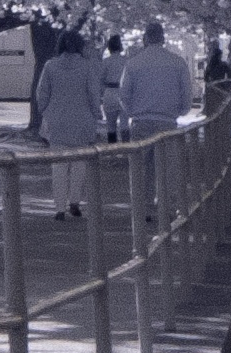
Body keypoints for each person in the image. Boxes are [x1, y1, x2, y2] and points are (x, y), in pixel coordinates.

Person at [31, 23, 106, 217]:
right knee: (79, 164)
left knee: (58, 166)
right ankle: (74, 201)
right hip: (82, 120)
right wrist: (95, 112)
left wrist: (46, 111)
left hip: (57, 121)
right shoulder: (87, 66)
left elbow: (42, 93)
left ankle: (59, 208)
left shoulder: (50, 66)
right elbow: (93, 94)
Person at [115, 20, 193, 131]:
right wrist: (182, 111)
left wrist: (131, 112)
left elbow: (124, 94)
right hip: (168, 120)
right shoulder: (178, 62)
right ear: (163, 39)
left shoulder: (133, 63)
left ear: (145, 38)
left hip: (141, 120)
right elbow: (186, 92)